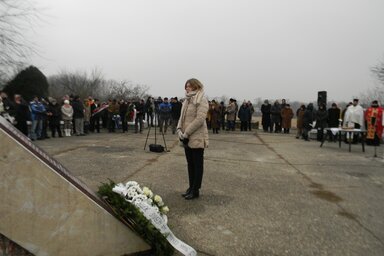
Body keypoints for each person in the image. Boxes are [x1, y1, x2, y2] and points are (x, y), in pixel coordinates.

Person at [177, 78, 209, 200]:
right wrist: (179, 129)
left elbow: (200, 119)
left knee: (197, 164)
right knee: (190, 164)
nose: (187, 88)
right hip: (185, 136)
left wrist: (187, 133)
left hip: (196, 136)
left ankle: (195, 189)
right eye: (186, 86)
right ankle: (190, 187)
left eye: (189, 86)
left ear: (196, 86)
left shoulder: (201, 99)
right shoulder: (187, 100)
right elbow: (182, 117)